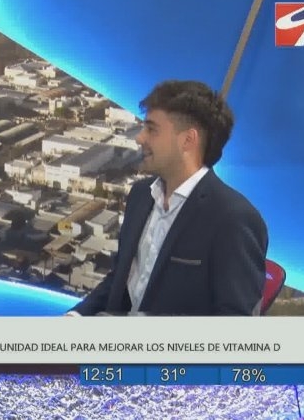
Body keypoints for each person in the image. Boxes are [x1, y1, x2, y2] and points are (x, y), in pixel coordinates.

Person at [69, 80, 268, 316]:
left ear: (188, 140)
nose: (140, 138)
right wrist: (76, 316)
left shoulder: (233, 219)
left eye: (152, 130)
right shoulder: (141, 195)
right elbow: (119, 280)